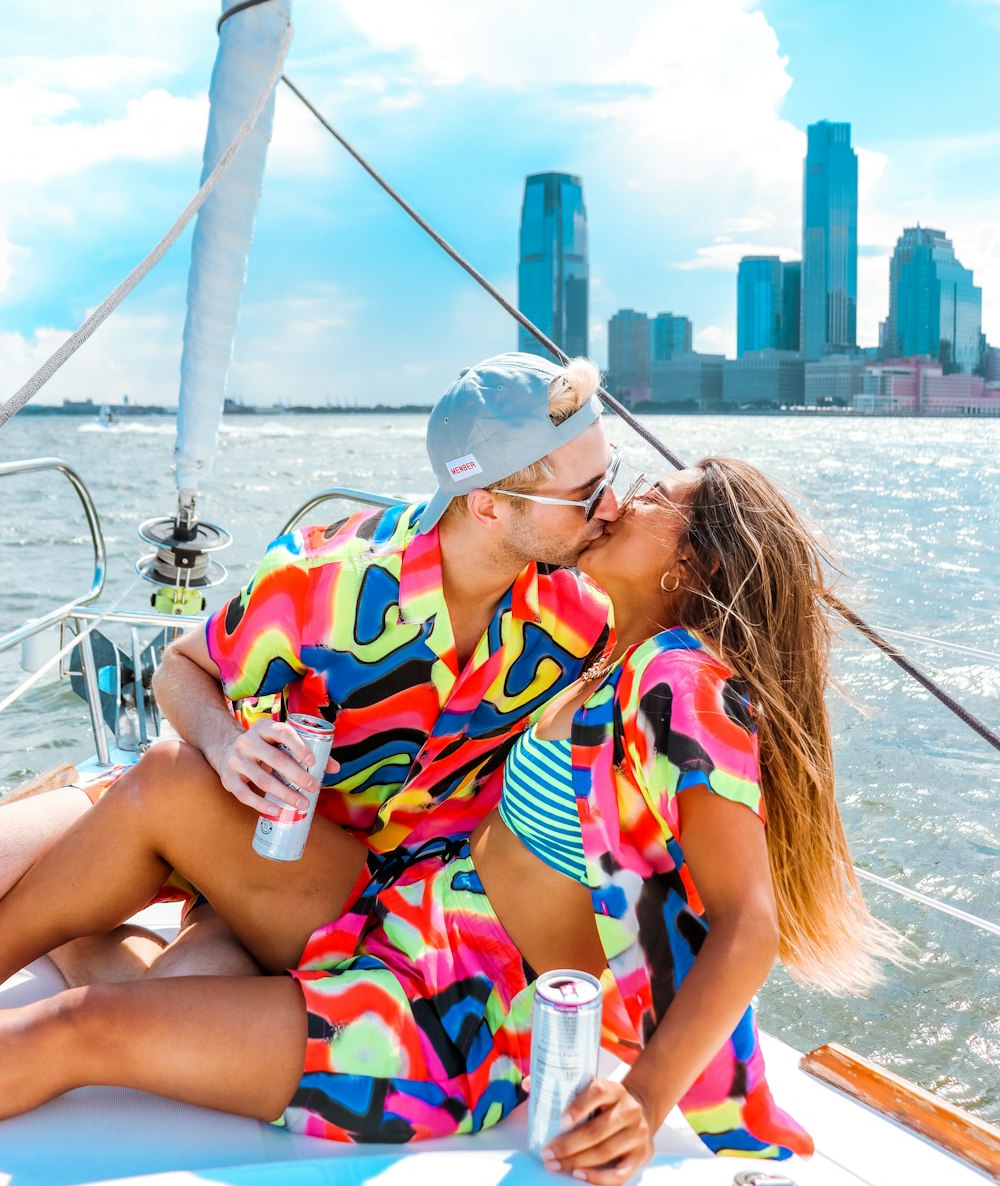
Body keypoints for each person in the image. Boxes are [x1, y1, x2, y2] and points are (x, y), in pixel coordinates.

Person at [0, 453, 901, 1184]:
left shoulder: (682, 680)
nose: (620, 502)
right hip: (401, 914)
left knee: (79, 1030)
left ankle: (111, 953)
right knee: (162, 780)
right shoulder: (607, 645)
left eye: (655, 498)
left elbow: (749, 925)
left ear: (693, 562)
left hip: (447, 1021)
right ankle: (96, 938)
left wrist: (647, 1098)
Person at [0, 352, 617, 981]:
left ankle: (81, 930)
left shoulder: (584, 617)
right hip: (238, 811)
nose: (613, 506)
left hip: (352, 889)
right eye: (586, 494)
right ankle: (83, 832)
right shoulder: (326, 578)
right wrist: (225, 744)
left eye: (611, 474)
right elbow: (180, 668)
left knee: (181, 989)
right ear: (487, 506)